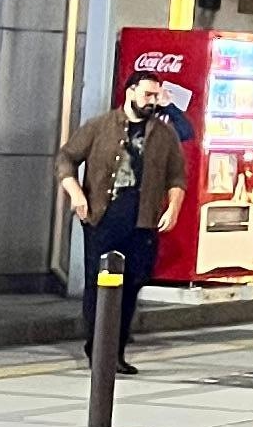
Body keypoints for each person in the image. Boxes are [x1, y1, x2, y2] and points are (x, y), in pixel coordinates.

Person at [59, 72, 186, 371]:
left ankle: (116, 351)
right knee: (99, 283)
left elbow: (177, 176)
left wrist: (173, 207)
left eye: (156, 96)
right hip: (103, 217)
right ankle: (98, 349)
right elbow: (66, 157)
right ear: (130, 92)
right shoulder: (100, 126)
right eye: (147, 95)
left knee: (131, 284)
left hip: (143, 220)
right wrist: (76, 192)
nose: (152, 101)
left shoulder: (164, 134)